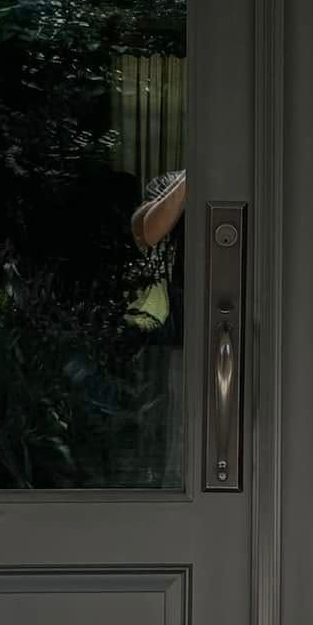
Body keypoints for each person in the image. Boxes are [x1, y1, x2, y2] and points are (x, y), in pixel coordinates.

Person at [131, 169, 187, 484]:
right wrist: (191, 179)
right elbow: (147, 232)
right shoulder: (169, 184)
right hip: (185, 329)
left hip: (262, 318)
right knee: (181, 427)